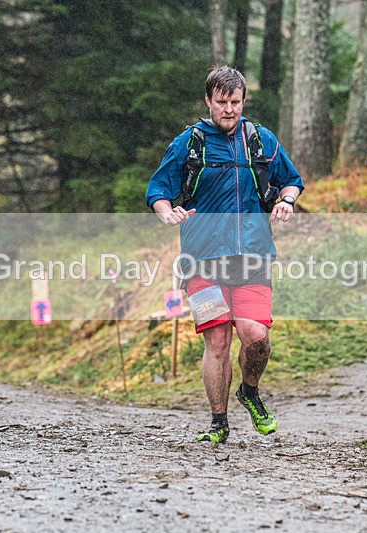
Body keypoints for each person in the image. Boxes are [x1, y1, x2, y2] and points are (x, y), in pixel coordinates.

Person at [145, 66, 303, 443]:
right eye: (221, 102)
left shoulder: (260, 140)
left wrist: (286, 201)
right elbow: (158, 189)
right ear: (208, 101)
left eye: (235, 102)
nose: (228, 110)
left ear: (244, 101)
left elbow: (291, 181)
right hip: (202, 260)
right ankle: (219, 423)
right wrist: (166, 212)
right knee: (217, 341)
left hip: (253, 256)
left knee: (256, 336)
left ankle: (249, 391)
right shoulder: (189, 142)